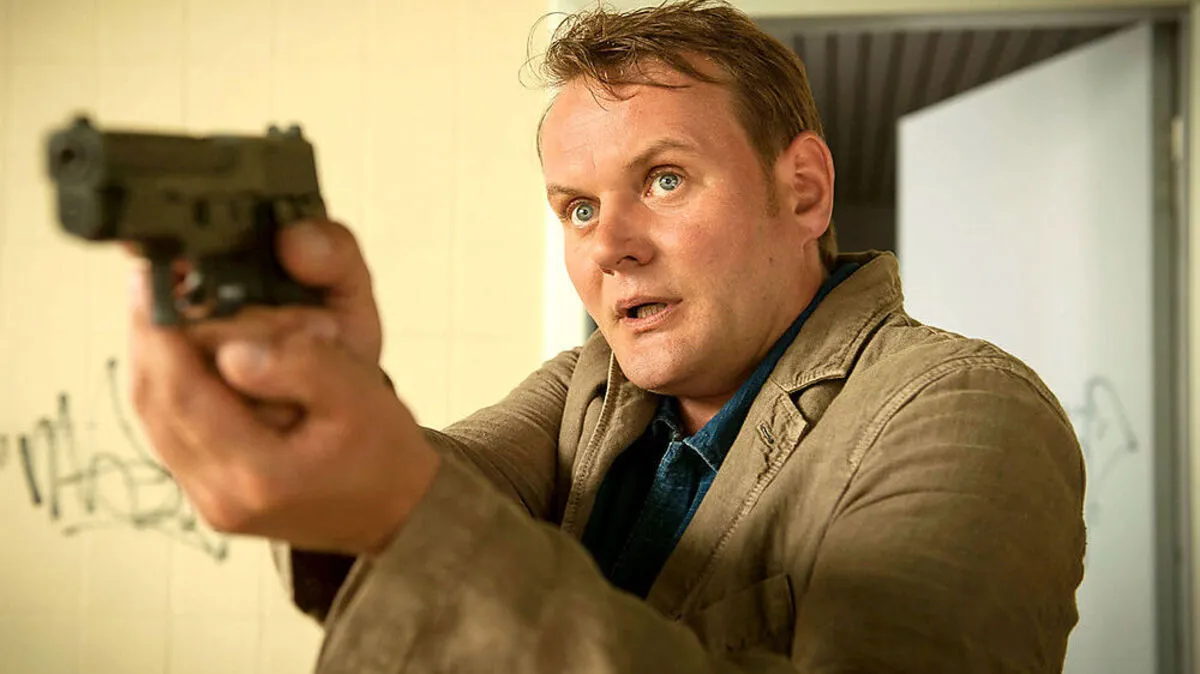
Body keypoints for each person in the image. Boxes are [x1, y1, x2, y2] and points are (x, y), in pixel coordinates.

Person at [127, 1, 1087, 671]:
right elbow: (432, 482)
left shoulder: (968, 412)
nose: (609, 246)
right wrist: (326, 386)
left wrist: (393, 501)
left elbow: (413, 511)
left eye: (664, 179)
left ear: (803, 191)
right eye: (578, 207)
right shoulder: (585, 389)